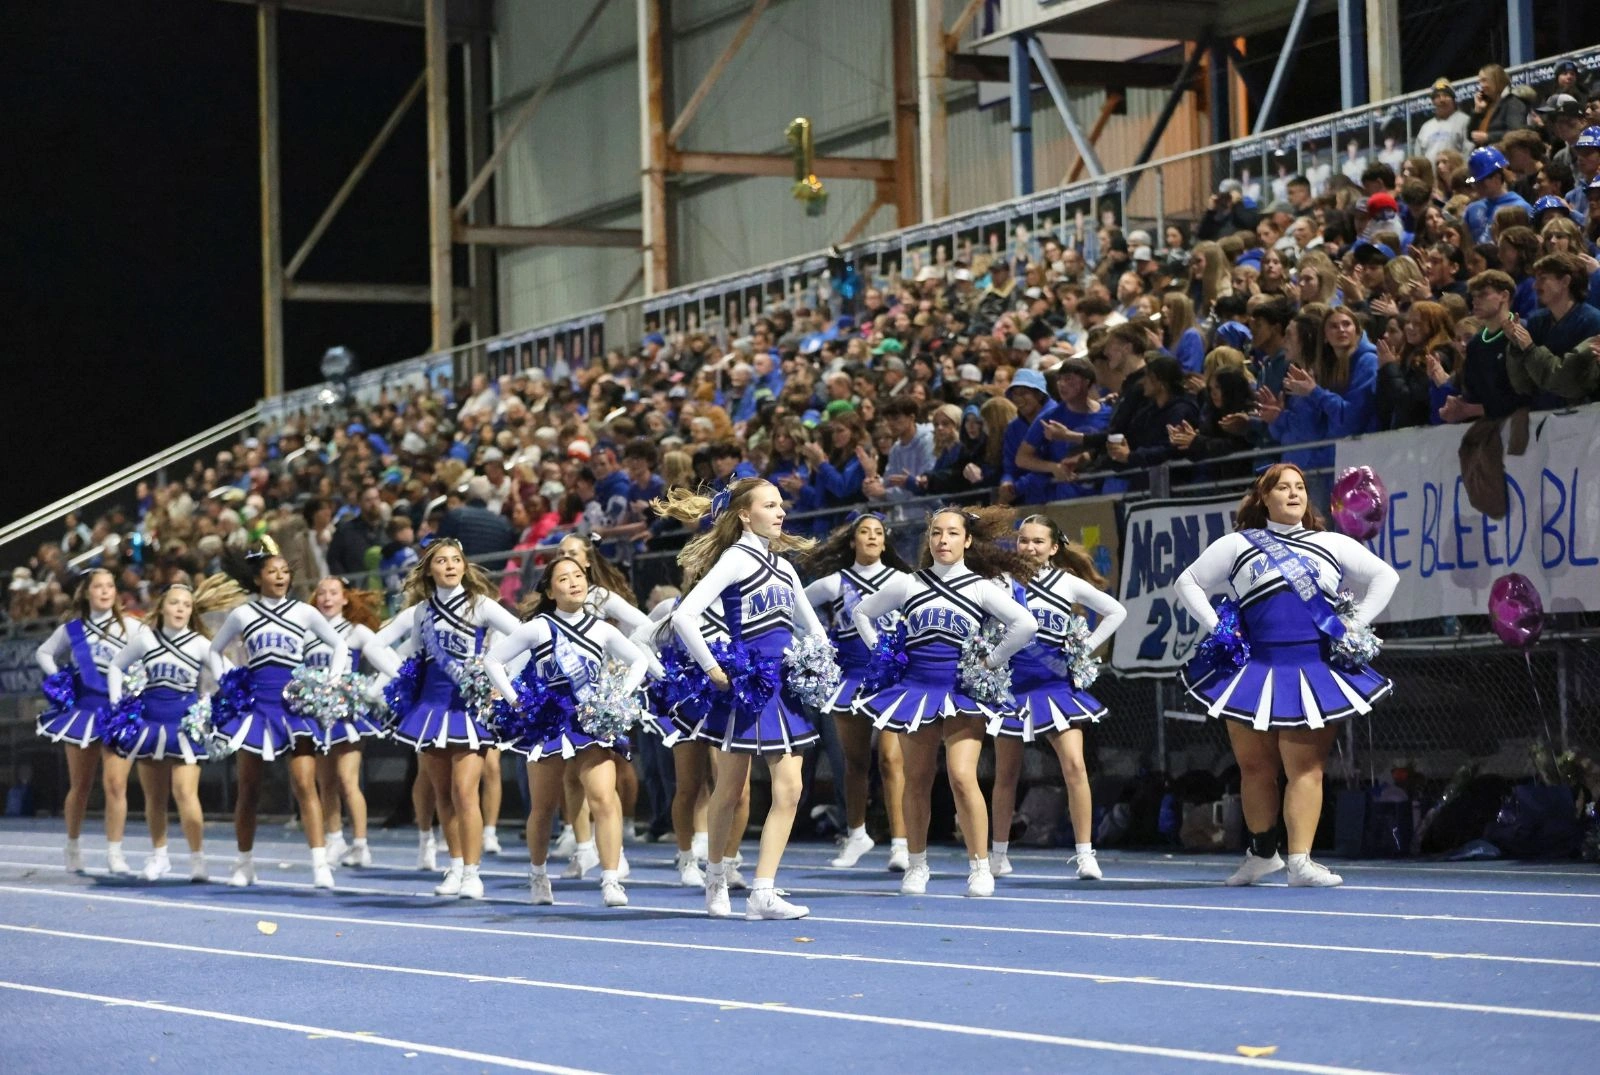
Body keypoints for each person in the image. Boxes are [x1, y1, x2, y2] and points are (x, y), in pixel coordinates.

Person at [1175, 464, 1397, 888]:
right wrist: (1219, 628)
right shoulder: (1237, 544)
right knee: (1254, 767)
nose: (1294, 494)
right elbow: (1188, 582)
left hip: (1311, 667)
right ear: (1263, 498)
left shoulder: (1331, 543)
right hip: (1253, 667)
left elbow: (1385, 577)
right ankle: (1262, 855)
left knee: (1306, 767)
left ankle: (1300, 861)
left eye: (1299, 487)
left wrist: (1355, 625)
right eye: (1282, 487)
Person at [656, 478, 830, 920]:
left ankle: (763, 891)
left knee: (789, 789)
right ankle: (716, 877)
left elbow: (814, 629)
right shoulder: (736, 558)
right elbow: (686, 616)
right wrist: (714, 670)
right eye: (770, 505)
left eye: (781, 505)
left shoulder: (784, 567)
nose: (781, 513)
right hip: (744, 686)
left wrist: (814, 662)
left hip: (781, 686)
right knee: (730, 790)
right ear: (744, 515)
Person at [851, 506, 1036, 898]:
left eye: (952, 533)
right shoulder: (908, 584)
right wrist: (883, 654)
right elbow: (862, 613)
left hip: (961, 693)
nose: (943, 540)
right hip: (916, 690)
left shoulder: (982, 587)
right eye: (936, 533)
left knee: (962, 776)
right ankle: (917, 865)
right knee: (915, 779)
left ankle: (979, 867)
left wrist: (991, 660)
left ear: (967, 540)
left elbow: (1026, 624)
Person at [485, 555, 650, 908]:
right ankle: (538, 874)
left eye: (579, 575)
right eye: (564, 578)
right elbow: (493, 660)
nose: (574, 582)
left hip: (590, 722)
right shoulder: (538, 628)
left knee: (604, 798)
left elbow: (640, 660)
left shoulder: (602, 628)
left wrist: (619, 694)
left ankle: (609, 880)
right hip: (548, 722)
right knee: (543, 807)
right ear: (549, 590)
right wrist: (516, 700)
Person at [367, 538, 522, 899]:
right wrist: (402, 674)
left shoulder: (481, 605)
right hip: (431, 707)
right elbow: (376, 644)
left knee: (465, 791)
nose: (450, 566)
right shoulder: (420, 612)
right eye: (442, 561)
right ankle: (454, 867)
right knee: (443, 794)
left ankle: (472, 872)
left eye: (456, 560)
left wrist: (502, 681)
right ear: (429, 569)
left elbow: (524, 638)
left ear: (465, 567)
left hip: (469, 708)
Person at [989, 515, 1126, 882]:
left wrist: (1086, 650)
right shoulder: (1001, 583)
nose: (1029, 547)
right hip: (1013, 687)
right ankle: (998, 854)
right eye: (1023, 540)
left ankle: (1085, 855)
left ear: (1053, 548)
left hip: (1056, 687)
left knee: (1075, 767)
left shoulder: (1066, 583)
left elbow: (1116, 611)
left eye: (1037, 541)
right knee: (1006, 773)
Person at [205, 542, 349, 888]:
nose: (281, 577)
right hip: (256, 706)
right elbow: (213, 650)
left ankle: (320, 865)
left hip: (292, 705)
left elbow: (339, 645)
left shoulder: (304, 612)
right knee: (249, 788)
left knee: (304, 783)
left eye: (285, 572)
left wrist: (330, 681)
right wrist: (227, 682)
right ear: (258, 578)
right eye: (273, 572)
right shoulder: (243, 614)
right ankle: (244, 864)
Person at [106, 576, 243, 881]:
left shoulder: (199, 643)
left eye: (186, 605)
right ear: (162, 607)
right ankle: (160, 856)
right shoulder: (146, 640)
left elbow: (227, 672)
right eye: (174, 604)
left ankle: (197, 859)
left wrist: (222, 701)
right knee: (154, 797)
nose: (180, 609)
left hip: (184, 726)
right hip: (150, 724)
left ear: (191, 611)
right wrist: (118, 704)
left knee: (184, 792)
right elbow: (116, 665)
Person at [799, 512, 913, 871]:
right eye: (865, 532)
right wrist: (814, 645)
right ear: (852, 541)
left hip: (893, 679)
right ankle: (857, 833)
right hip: (849, 678)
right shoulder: (834, 583)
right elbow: (792, 607)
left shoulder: (902, 580)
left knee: (891, 759)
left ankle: (901, 843)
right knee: (855, 763)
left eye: (879, 532)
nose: (873, 537)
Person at [34, 568, 134, 873]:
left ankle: (115, 853)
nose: (105, 591)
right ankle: (73, 844)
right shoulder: (73, 630)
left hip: (116, 711)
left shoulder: (130, 627)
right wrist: (60, 679)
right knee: (81, 785)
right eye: (98, 587)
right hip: (83, 711)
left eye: (110, 586)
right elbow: (44, 652)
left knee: (116, 784)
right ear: (87, 592)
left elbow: (148, 656)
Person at [304, 576, 385, 868]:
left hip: (347, 714)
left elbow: (386, 660)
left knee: (346, 779)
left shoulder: (356, 631)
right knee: (324, 780)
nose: (326, 597)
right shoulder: (307, 632)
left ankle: (361, 844)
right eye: (321, 592)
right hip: (316, 714)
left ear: (345, 598)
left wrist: (369, 691)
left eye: (333, 593)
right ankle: (335, 839)